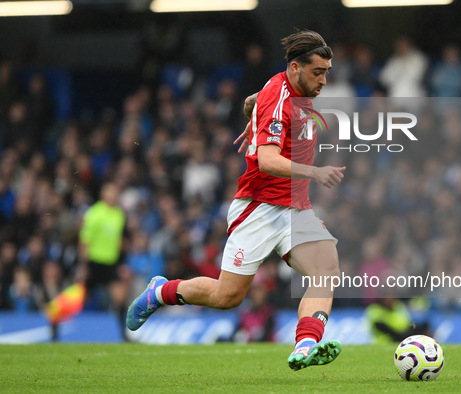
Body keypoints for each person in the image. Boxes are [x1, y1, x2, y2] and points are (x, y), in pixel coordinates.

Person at [127, 30, 346, 371]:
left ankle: (305, 344)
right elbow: (268, 161)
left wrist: (252, 111)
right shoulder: (280, 94)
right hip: (259, 208)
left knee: (326, 270)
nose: (324, 80)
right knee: (227, 297)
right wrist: (314, 172)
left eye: (327, 72)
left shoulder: (290, 91)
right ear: (294, 68)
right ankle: (161, 291)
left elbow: (255, 100)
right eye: (318, 72)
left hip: (295, 208)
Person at [78, 182, 130, 335]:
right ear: (103, 195)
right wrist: (83, 265)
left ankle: (124, 334)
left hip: (110, 263)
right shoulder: (94, 213)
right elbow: (84, 241)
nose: (113, 196)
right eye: (110, 192)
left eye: (115, 192)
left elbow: (119, 240)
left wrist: (122, 259)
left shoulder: (119, 214)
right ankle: (56, 321)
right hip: (94, 262)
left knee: (120, 298)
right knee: (79, 298)